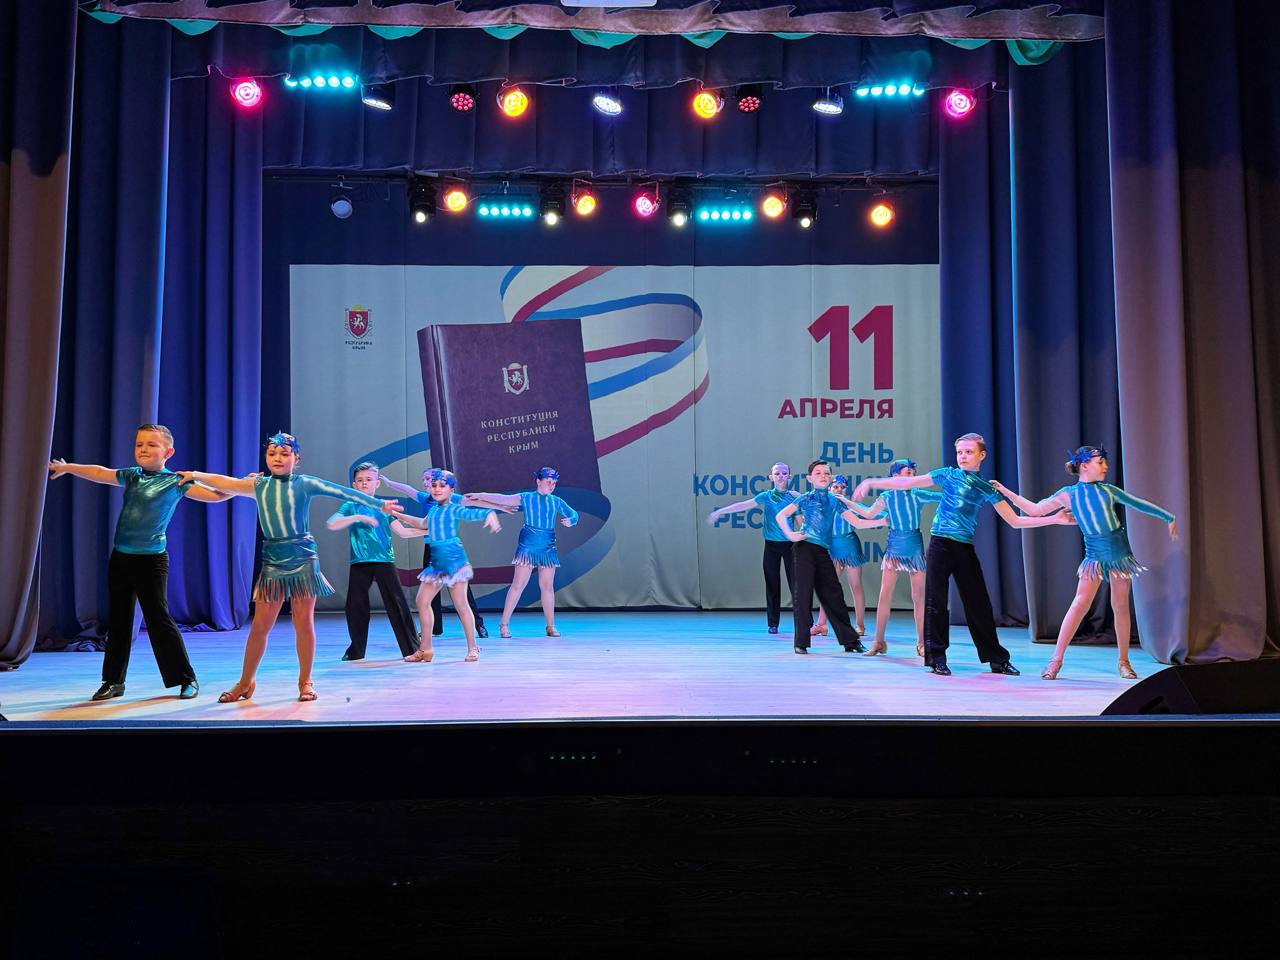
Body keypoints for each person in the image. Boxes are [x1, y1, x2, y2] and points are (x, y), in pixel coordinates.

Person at [179, 432, 403, 702]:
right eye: (272, 453)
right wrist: (195, 474)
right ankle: (245, 682)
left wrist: (380, 504)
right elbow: (226, 483)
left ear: (296, 458)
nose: (277, 458)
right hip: (274, 561)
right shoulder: (258, 485)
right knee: (260, 625)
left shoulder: (304, 483)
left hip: (303, 559)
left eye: (284, 454)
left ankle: (305, 682)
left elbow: (341, 491)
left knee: (303, 623)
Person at [854, 433, 1075, 676]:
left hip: (963, 547)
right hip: (940, 544)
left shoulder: (985, 487)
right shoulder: (948, 474)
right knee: (936, 603)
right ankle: (936, 658)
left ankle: (997, 659)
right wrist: (872, 482)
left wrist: (1054, 519)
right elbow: (907, 483)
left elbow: (1015, 521)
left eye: (969, 452)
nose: (963, 456)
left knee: (979, 604)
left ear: (982, 455)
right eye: (960, 452)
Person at [48, 423, 232, 702]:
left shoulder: (176, 482)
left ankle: (186, 678)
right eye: (139, 445)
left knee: (159, 620)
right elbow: (99, 472)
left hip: (151, 560)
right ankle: (113, 681)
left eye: (151, 445)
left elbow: (216, 496)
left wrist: (241, 487)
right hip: (121, 558)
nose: (143, 449)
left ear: (168, 452)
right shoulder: (132, 476)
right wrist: (68, 467)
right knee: (119, 621)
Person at [991, 445, 1177, 680]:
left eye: (1104, 462)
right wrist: (1006, 491)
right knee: (1079, 604)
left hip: (1119, 555)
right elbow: (1035, 510)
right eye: (1100, 462)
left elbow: (1137, 503)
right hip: (1094, 557)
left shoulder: (1108, 490)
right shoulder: (1069, 494)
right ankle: (1055, 661)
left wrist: (1168, 517)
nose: (1105, 466)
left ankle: (1124, 662)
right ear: (1084, 466)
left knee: (1120, 606)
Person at [776, 459, 886, 656]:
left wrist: (883, 521)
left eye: (826, 473)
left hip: (822, 551)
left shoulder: (835, 500)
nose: (823, 476)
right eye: (818, 473)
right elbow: (781, 516)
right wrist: (790, 534)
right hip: (804, 548)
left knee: (834, 594)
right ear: (810, 478)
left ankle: (850, 641)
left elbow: (858, 523)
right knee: (803, 595)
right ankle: (801, 642)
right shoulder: (806, 498)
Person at [397, 468, 501, 663]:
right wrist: (400, 516)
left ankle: (473, 647)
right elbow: (423, 524)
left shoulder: (453, 508)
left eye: (442, 486)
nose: (437, 489)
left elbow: (471, 514)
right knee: (422, 601)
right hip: (437, 562)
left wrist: (489, 514)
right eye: (434, 485)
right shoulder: (434, 509)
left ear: (452, 490)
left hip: (454, 561)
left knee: (461, 604)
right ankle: (425, 649)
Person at [462, 467, 578, 638]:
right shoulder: (527, 497)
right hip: (528, 546)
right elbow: (502, 499)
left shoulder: (556, 501)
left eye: (554, 483)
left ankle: (550, 626)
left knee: (547, 586)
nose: (551, 486)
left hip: (548, 547)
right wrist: (481, 495)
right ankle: (504, 625)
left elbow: (573, 513)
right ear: (538, 481)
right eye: (548, 482)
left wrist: (572, 520)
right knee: (518, 585)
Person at [325, 461, 425, 661]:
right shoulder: (350, 506)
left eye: (369, 480)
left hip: (384, 561)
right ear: (354, 485)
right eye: (360, 480)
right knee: (355, 607)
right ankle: (356, 650)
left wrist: (428, 531)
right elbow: (331, 523)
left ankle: (412, 648)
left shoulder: (384, 508)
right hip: (359, 563)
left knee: (397, 605)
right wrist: (357, 518)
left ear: (377, 483)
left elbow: (403, 532)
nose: (364, 483)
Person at [377, 469, 492, 639]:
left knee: (462, 596)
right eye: (426, 480)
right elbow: (406, 489)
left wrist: (499, 506)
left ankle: (478, 625)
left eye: (430, 479)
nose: (427, 483)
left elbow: (474, 503)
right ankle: (434, 628)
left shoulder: (451, 499)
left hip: (450, 552)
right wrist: (388, 483)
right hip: (431, 549)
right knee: (429, 594)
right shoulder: (425, 498)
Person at [844, 458, 941, 657]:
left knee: (919, 597)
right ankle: (878, 641)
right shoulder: (887, 497)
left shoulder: (917, 494)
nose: (912, 477)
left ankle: (922, 642)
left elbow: (941, 496)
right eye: (907, 473)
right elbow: (868, 514)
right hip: (894, 548)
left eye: (913, 474)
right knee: (884, 595)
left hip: (914, 548)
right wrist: (845, 501)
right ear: (895, 476)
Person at [705, 461, 799, 634]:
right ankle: (773, 623)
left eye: (784, 473)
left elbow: (801, 521)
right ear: (771, 477)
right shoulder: (766, 496)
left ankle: (803, 623)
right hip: (771, 546)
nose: (780, 476)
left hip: (790, 546)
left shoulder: (794, 497)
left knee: (797, 585)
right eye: (777, 473)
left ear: (789, 476)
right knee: (772, 584)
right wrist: (720, 511)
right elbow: (743, 505)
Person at [811, 474, 870, 640]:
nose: (839, 490)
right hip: (832, 548)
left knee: (855, 586)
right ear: (829, 488)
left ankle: (860, 625)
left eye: (842, 487)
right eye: (835, 487)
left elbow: (871, 513)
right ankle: (821, 624)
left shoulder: (850, 505)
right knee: (827, 588)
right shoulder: (823, 505)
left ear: (846, 490)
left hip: (850, 547)